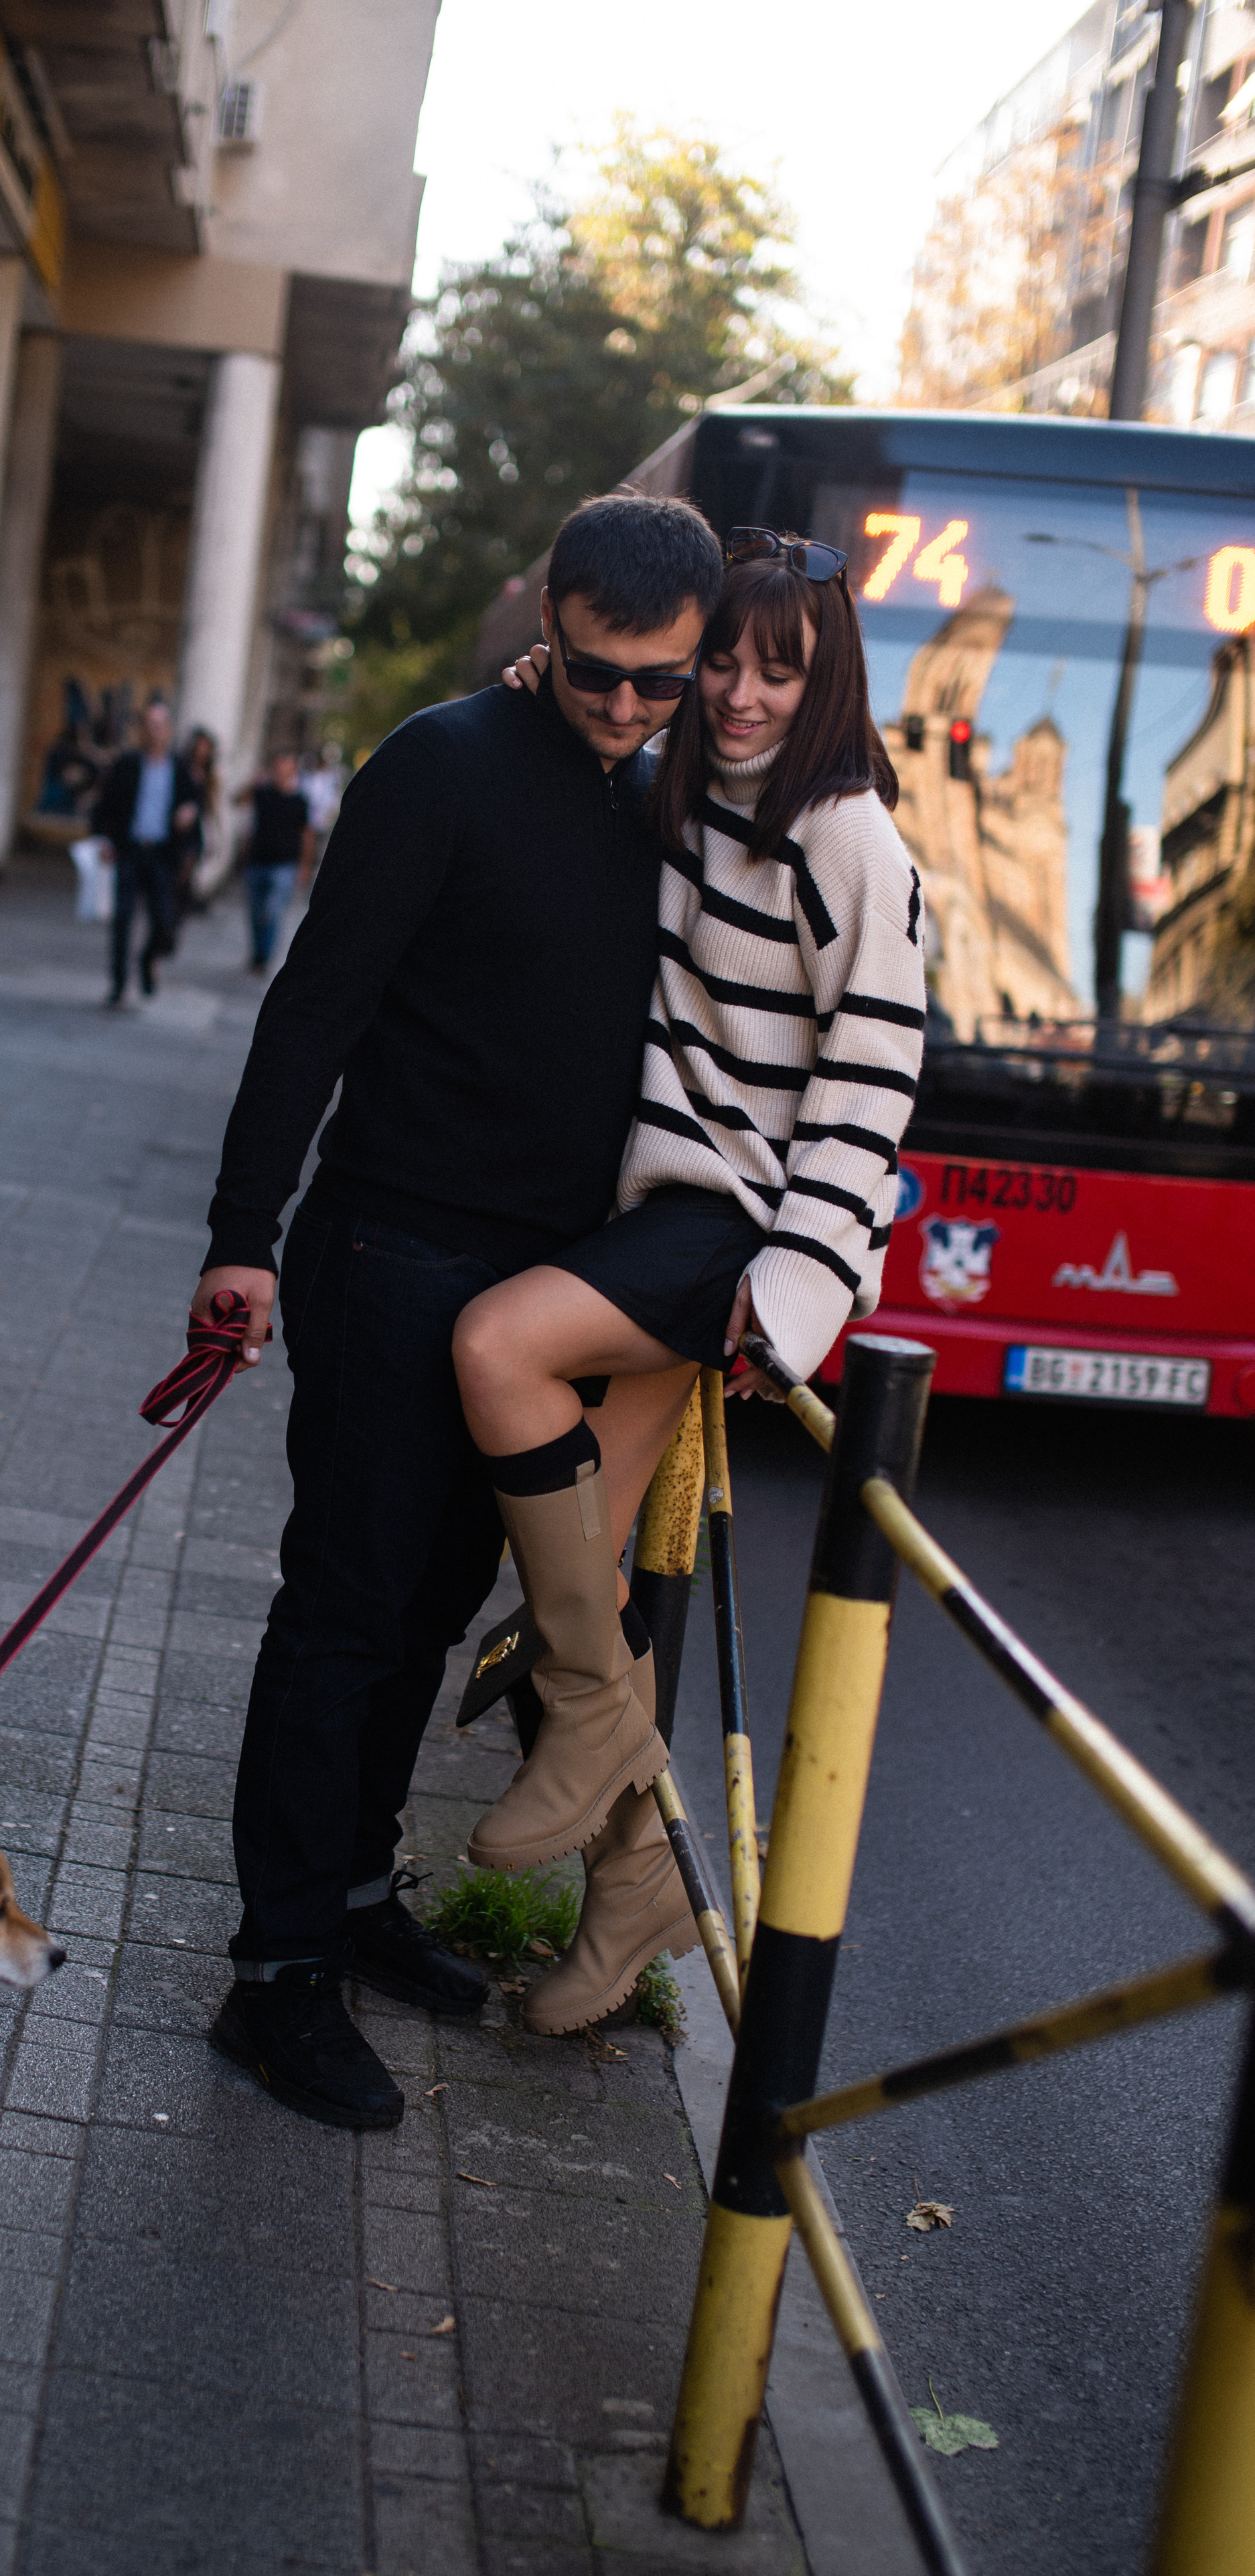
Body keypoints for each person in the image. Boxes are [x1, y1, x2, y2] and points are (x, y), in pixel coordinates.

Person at [187, 492, 724, 2131]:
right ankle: (273, 1977)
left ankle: (352, 1901)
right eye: (594, 670)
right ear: (542, 618)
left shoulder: (666, 795)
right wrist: (242, 1237)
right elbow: (313, 1010)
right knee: (343, 1614)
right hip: (389, 1255)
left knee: (426, 1612)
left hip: (542, 1295)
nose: (626, 706)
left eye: (662, 682)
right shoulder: (435, 763)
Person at [453, 530, 928, 2037]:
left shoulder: (852, 839)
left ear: (824, 674)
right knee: (565, 1584)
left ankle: (600, 1749)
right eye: (720, 658)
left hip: (728, 1234)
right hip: (652, 1205)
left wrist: (791, 1293)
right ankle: (638, 1873)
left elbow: (868, 1088)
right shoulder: (688, 790)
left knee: (493, 1352)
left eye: (774, 667)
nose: (733, 691)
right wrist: (544, 682)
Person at [92, 695, 200, 1003]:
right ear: (142, 729)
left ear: (169, 729)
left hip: (163, 856)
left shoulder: (179, 769)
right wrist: (103, 840)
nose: (155, 731)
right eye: (149, 725)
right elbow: (104, 807)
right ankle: (118, 983)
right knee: (123, 919)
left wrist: (189, 813)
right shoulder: (127, 764)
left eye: (160, 725)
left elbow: (195, 804)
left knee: (165, 922)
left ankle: (147, 960)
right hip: (130, 851)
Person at [232, 751, 316, 972]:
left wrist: (305, 867)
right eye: (277, 765)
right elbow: (237, 800)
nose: (280, 770)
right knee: (255, 912)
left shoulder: (300, 801)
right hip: (257, 861)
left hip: (284, 866)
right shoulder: (262, 793)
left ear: (293, 770)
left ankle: (264, 958)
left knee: (272, 911)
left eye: (285, 765)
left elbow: (307, 836)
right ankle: (257, 953)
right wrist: (253, 781)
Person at [175, 727, 220, 910]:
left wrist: (216, 834)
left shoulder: (209, 775)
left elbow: (210, 806)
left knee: (187, 870)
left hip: (195, 831)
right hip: (178, 829)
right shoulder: (181, 767)